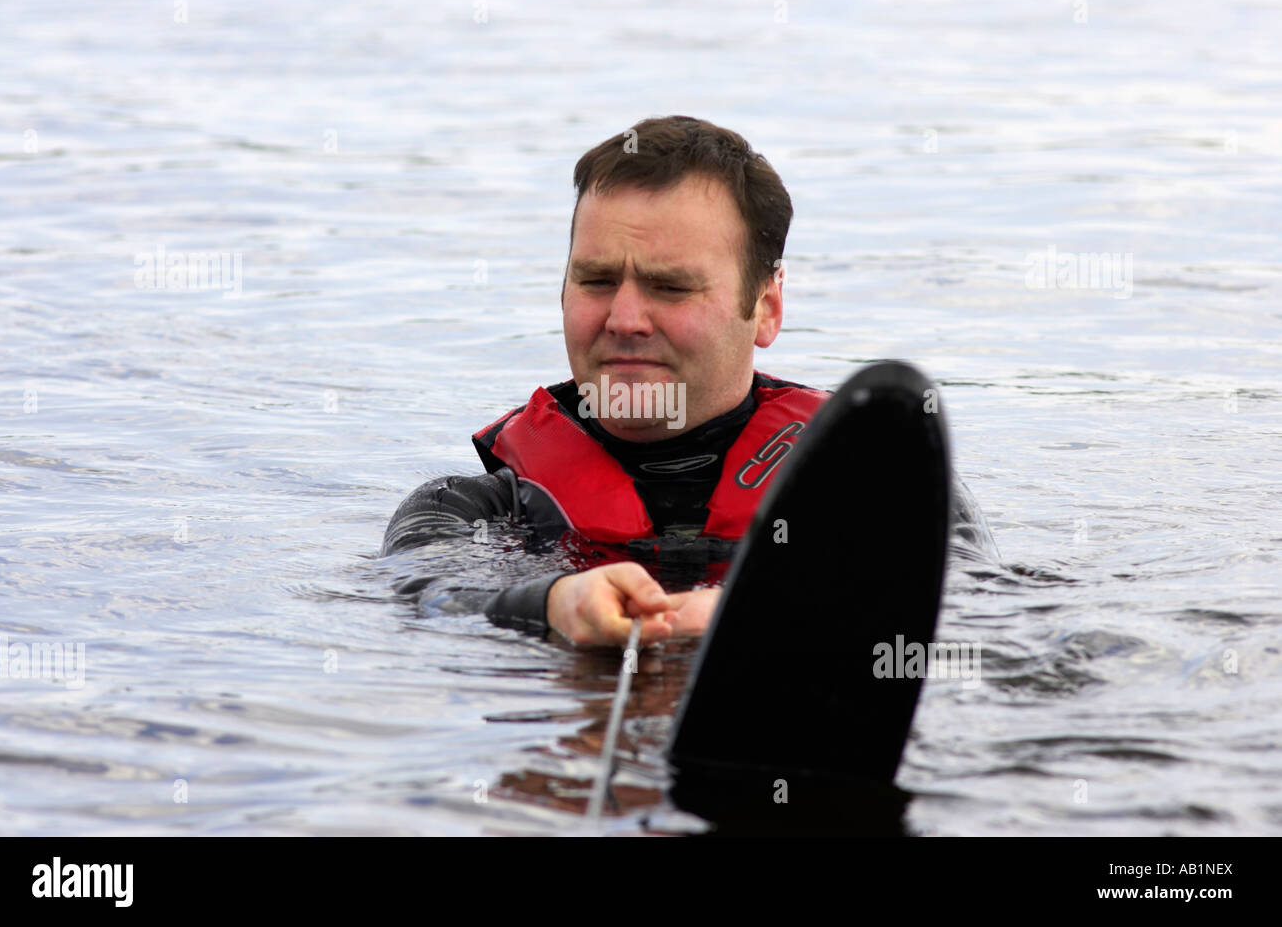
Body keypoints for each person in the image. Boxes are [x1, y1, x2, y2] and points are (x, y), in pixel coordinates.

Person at [381, 115, 992, 647]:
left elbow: (972, 607)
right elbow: (425, 590)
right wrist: (549, 605)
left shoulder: (876, 488)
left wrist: (765, 611)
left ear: (767, 307)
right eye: (596, 281)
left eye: (670, 287)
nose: (623, 320)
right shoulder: (473, 509)